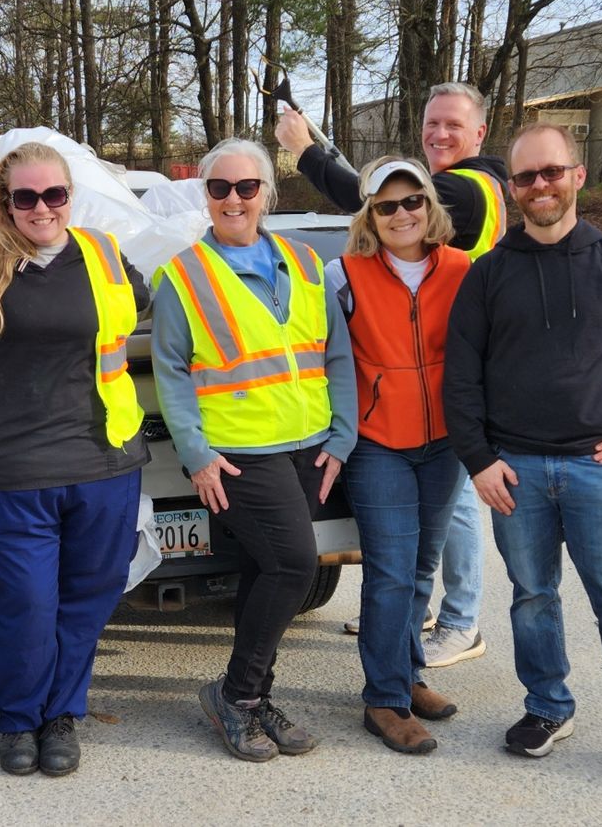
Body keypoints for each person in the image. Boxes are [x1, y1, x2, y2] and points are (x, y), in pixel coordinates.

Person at [444, 123, 602, 794]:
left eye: (551, 172)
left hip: (600, 469)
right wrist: (477, 460)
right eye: (527, 178)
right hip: (515, 472)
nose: (540, 187)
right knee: (532, 599)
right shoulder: (489, 275)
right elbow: (460, 377)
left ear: (577, 176)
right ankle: (548, 708)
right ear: (513, 189)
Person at [277, 81, 504, 667]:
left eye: (453, 124)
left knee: (437, 535)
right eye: (431, 123)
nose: (439, 134)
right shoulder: (349, 272)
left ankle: (457, 622)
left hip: (445, 417)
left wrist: (305, 151)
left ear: (481, 133)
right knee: (400, 563)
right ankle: (406, 644)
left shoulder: (472, 189)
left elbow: (363, 190)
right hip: (395, 425)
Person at [151, 138, 357, 762]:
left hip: (308, 444)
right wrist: (195, 453)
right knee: (296, 565)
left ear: (267, 193)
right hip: (238, 453)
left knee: (265, 569)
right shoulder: (181, 276)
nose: (234, 199)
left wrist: (342, 435)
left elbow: (337, 355)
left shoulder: (303, 262)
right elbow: (171, 373)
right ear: (205, 197)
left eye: (246, 187)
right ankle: (237, 696)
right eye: (219, 189)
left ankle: (252, 694)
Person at [0, 142, 149, 778]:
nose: (41, 208)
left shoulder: (104, 255)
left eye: (54, 195)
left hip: (104, 460)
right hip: (12, 468)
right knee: (27, 604)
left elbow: (148, 307)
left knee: (89, 598)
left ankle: (61, 714)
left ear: (71, 196)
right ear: (4, 201)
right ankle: (18, 718)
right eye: (26, 197)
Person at [327, 157, 470, 754]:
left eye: (412, 201)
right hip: (379, 442)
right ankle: (383, 701)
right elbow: (328, 360)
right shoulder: (345, 274)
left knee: (419, 569)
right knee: (388, 572)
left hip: (446, 443)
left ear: (429, 206)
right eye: (386, 206)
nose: (402, 214)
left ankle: (408, 675)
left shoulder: (464, 269)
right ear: (370, 216)